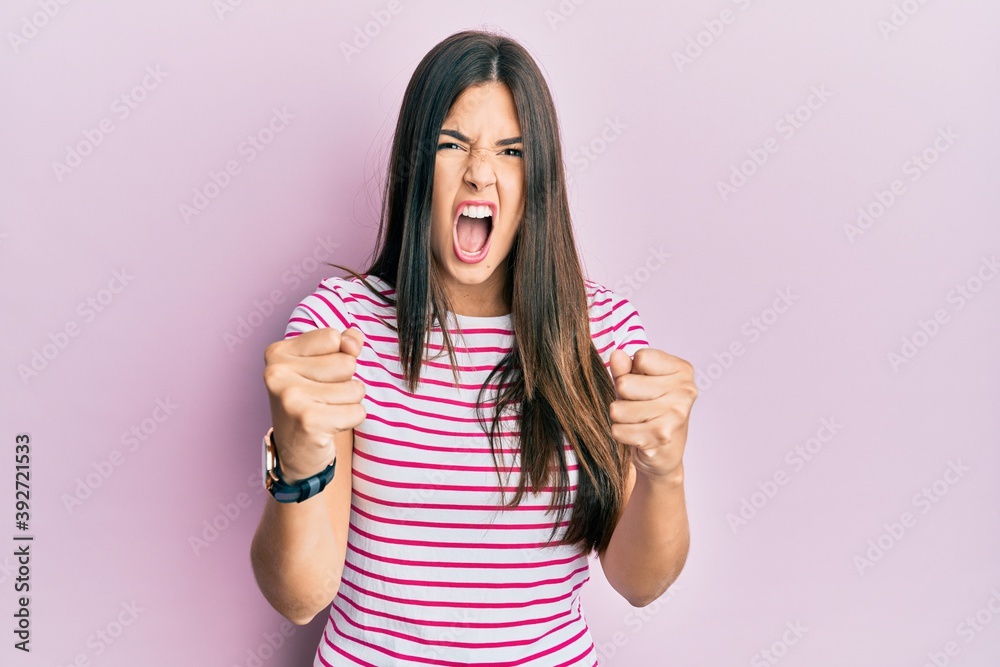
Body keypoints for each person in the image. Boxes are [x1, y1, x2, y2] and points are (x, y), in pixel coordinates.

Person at [250, 28, 697, 666]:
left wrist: (666, 471)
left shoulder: (604, 333)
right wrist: (294, 465)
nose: (480, 172)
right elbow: (299, 597)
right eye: (452, 143)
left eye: (511, 151)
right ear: (415, 165)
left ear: (538, 180)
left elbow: (640, 582)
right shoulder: (340, 329)